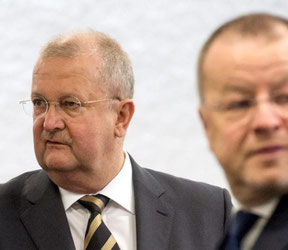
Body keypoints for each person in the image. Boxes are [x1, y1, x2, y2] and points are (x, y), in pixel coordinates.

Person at [0, 30, 232, 250]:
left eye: (70, 104)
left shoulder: (208, 213)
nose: (49, 123)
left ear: (121, 117)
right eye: (39, 103)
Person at [198, 13, 288, 250]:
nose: (266, 121)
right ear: (207, 126)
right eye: (239, 103)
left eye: (287, 97)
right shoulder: (238, 233)